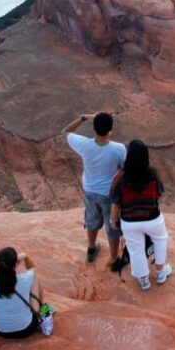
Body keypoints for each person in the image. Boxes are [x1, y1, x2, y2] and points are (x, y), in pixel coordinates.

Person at [63, 112, 127, 267]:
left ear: (93, 128)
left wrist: (83, 117)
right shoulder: (118, 149)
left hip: (90, 191)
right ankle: (113, 259)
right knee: (112, 224)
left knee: (91, 219)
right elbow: (125, 168)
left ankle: (91, 248)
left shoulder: (84, 144)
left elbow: (66, 131)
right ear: (111, 129)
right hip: (109, 194)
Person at [110, 140, 171, 291]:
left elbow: (116, 202)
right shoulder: (153, 174)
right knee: (160, 240)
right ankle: (160, 273)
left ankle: (144, 281)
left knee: (135, 249)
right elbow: (160, 193)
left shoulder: (120, 177)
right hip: (152, 218)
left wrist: (113, 220)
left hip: (130, 221)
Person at [0, 247, 45, 339]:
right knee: (34, 277)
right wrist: (25, 256)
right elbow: (33, 268)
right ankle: (42, 307)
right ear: (16, 264)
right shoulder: (25, 278)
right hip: (26, 329)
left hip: (2, 331)